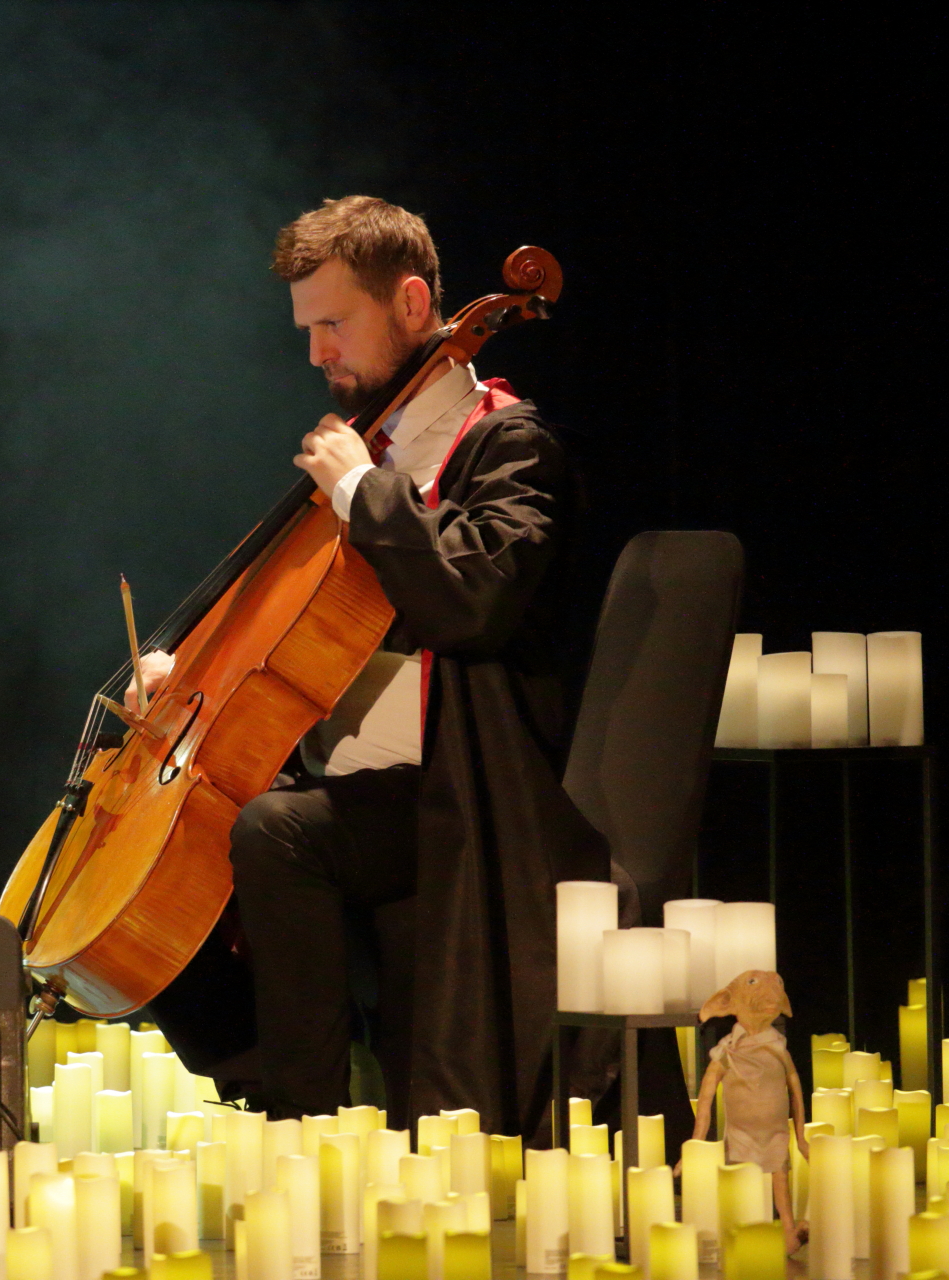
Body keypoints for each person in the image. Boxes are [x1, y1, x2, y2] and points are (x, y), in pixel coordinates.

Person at [134, 197, 609, 1135]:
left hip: (462, 794)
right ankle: (254, 1071)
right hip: (355, 788)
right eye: (307, 331)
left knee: (278, 833)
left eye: (334, 324)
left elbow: (473, 598)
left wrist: (360, 488)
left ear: (413, 303)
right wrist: (190, 677)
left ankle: (304, 1122)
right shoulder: (374, 455)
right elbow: (298, 642)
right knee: (176, 848)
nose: (318, 354)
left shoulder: (509, 446)